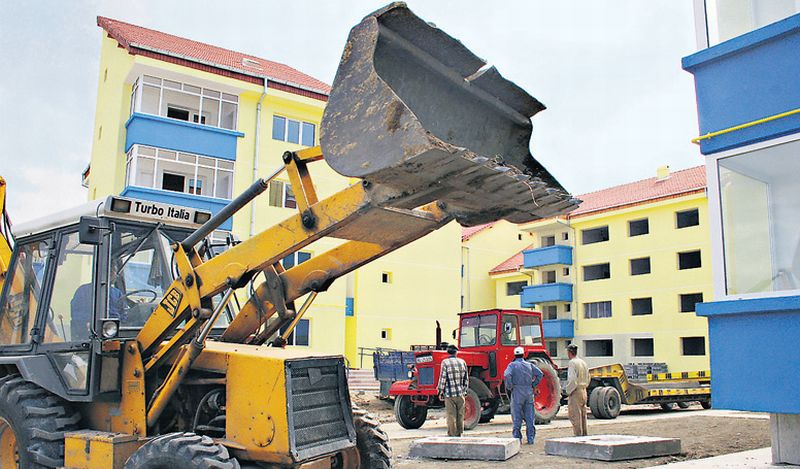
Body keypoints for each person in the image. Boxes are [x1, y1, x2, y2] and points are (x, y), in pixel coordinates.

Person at [504, 346, 543, 444]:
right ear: (523, 354)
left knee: (517, 417)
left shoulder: (512, 365)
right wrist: (533, 384)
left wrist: (510, 386)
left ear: (514, 355)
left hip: (517, 392)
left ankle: (517, 439)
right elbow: (540, 374)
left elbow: (507, 375)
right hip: (528, 392)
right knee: (530, 417)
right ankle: (530, 439)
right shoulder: (529, 365)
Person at [437, 344, 469, 437]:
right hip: (460, 393)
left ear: (447, 352)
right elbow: (466, 379)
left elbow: (443, 378)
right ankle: (460, 433)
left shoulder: (445, 362)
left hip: (449, 394)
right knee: (460, 415)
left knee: (451, 415)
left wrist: (440, 391)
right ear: (456, 352)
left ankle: (452, 434)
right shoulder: (462, 362)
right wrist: (464, 391)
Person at [566, 343, 590, 436]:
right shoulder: (583, 362)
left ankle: (578, 436)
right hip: (584, 390)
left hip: (576, 391)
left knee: (575, 416)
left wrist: (568, 391)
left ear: (569, 352)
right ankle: (585, 435)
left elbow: (572, 380)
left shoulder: (572, 363)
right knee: (583, 416)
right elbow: (588, 376)